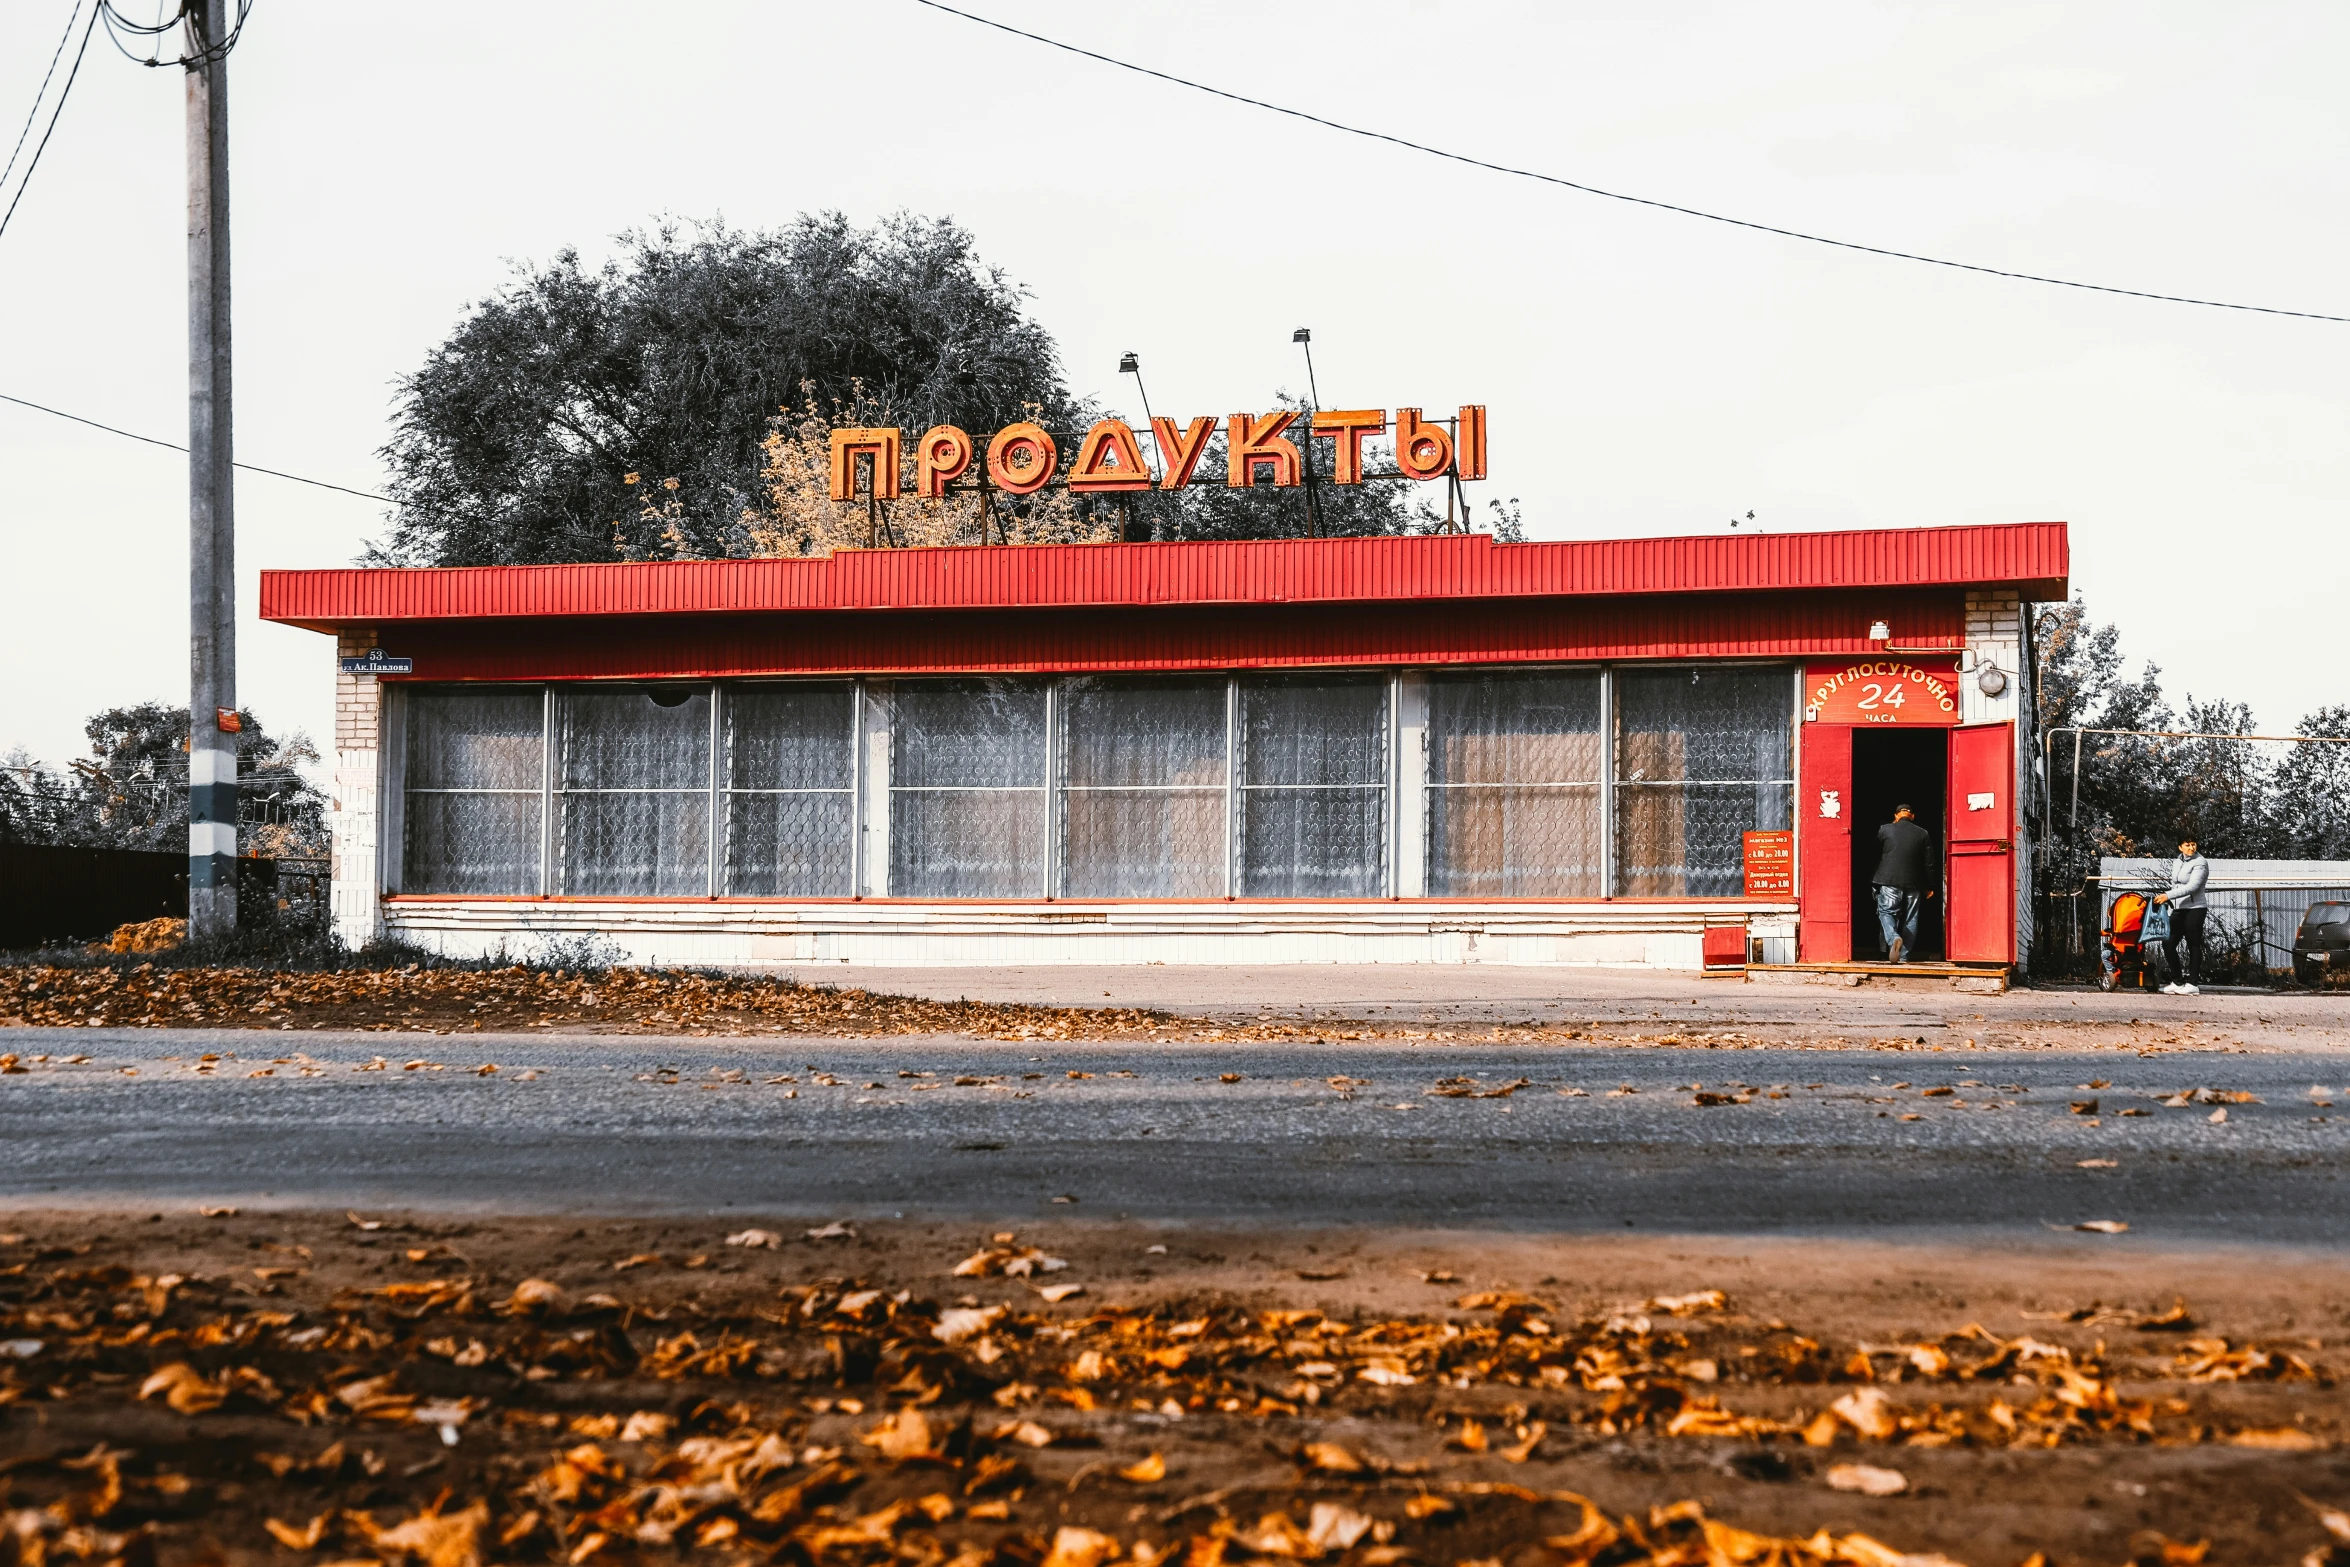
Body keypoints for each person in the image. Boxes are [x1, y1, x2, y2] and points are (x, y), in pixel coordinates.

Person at [1870, 804, 1937, 964]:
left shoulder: (1884, 830)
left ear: (1896, 815)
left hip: (1888, 880)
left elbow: (1875, 854)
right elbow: (1929, 863)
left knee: (1887, 912)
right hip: (1915, 883)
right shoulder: (1923, 833)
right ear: (1912, 816)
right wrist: (1930, 885)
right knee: (1911, 918)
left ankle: (1893, 938)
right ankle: (1904, 956)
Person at [2152, 837, 2210, 995]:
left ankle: (2193, 984)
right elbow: (2176, 883)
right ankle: (2177, 981)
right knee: (2168, 942)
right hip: (2180, 909)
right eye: (2187, 845)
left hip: (2195, 908)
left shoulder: (2201, 862)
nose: (2191, 847)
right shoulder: (2177, 862)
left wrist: (2168, 895)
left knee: (2193, 944)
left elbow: (2193, 886)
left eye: (2193, 844)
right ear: (2180, 847)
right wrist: (2171, 901)